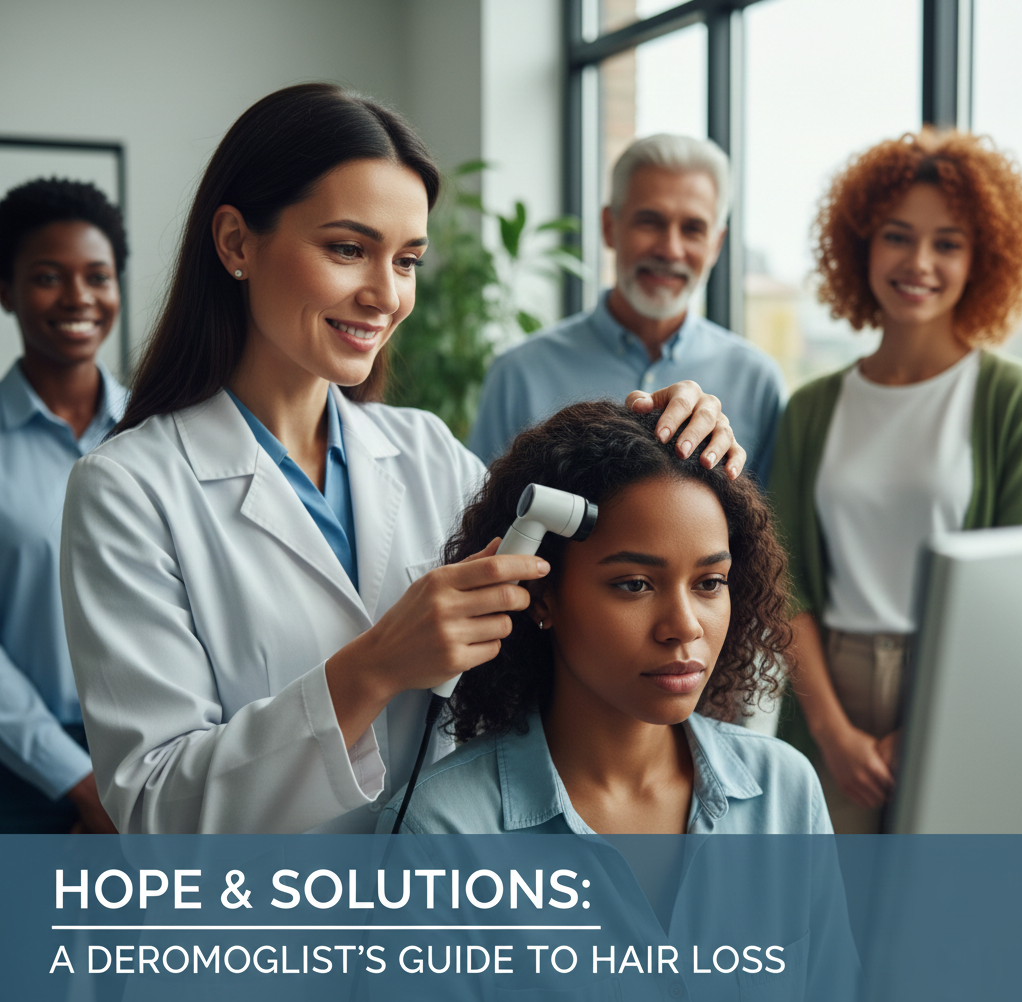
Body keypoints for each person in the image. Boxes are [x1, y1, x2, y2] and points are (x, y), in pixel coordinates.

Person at [59, 84, 744, 835]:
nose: (385, 294)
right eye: (348, 249)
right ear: (235, 243)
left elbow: (584, 592)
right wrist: (376, 665)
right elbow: (157, 809)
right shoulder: (127, 489)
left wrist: (667, 439)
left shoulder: (426, 452)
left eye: (408, 259)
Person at [377, 400, 829, 836]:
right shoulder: (441, 832)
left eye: (709, 583)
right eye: (634, 584)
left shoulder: (785, 793)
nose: (686, 626)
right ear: (540, 595)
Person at [769, 129, 1022, 833]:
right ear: (861, 245)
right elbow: (782, 574)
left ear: (982, 260)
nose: (919, 262)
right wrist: (833, 731)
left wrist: (929, 729)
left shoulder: (1007, 400)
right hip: (830, 685)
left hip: (964, 680)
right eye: (897, 236)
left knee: (945, 918)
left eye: (948, 242)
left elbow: (1014, 588)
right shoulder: (812, 407)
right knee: (831, 924)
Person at [468, 134, 786, 485]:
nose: (670, 249)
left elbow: (763, 535)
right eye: (650, 222)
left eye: (693, 229)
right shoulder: (518, 375)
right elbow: (485, 525)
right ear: (609, 226)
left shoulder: (758, 383)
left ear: (716, 245)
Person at [0, 178, 127, 833]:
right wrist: (80, 782)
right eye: (49, 276)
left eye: (98, 276)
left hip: (156, 752)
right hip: (20, 775)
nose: (79, 297)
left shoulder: (163, 433)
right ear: (6, 290)